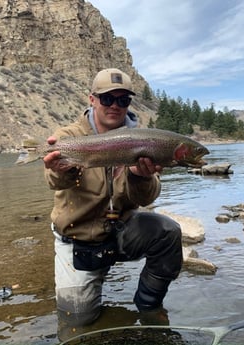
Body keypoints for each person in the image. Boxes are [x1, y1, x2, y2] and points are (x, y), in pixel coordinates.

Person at [43, 68, 183, 336]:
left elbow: (147, 198)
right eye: (107, 99)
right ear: (92, 99)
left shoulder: (144, 141)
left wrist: (139, 177)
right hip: (78, 239)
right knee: (78, 323)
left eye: (123, 100)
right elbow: (54, 181)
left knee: (168, 233)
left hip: (120, 232)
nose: (115, 106)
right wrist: (63, 169)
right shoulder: (70, 135)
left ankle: (149, 307)